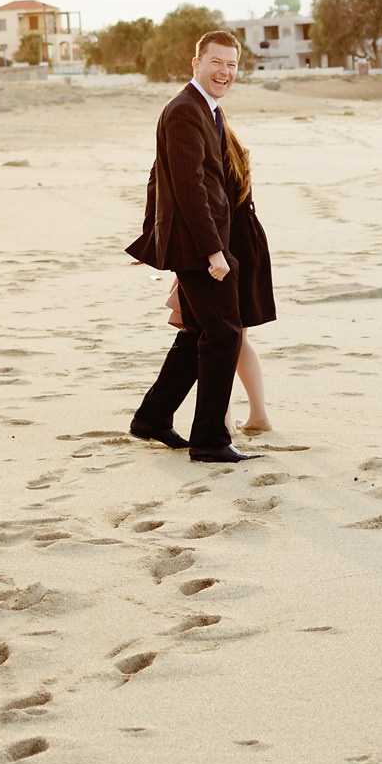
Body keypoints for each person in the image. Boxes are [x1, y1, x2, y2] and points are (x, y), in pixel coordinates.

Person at [124, 31, 275, 462]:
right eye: (216, 62)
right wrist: (213, 252)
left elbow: (163, 176)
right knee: (224, 333)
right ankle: (210, 440)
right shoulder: (184, 112)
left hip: (200, 240)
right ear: (196, 63)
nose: (224, 71)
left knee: (196, 334)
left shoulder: (209, 110)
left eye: (231, 64)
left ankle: (152, 417)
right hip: (199, 247)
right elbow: (189, 188)